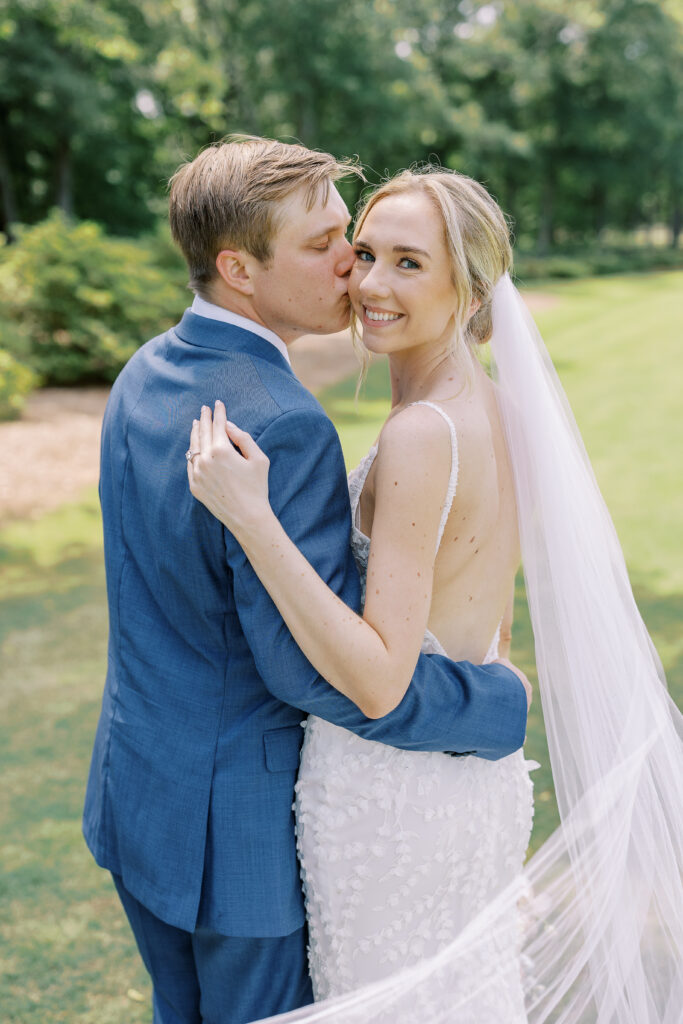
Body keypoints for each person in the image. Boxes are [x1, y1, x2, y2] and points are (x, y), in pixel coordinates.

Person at [188, 167, 683, 1023]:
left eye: (409, 263)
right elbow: (484, 626)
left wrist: (251, 520)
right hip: (467, 790)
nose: (372, 284)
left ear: (472, 287)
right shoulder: (496, 409)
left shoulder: (424, 433)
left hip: (392, 797)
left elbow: (381, 680)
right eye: (366, 253)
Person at [82, 138, 532, 1024]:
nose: (352, 271)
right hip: (233, 837)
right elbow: (310, 669)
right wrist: (492, 706)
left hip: (138, 796)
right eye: (333, 245)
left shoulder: (145, 372)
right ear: (238, 269)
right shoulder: (280, 421)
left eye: (361, 245)